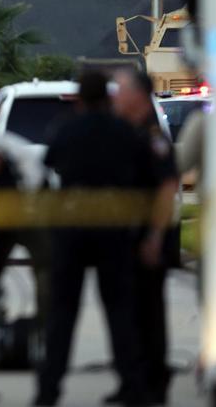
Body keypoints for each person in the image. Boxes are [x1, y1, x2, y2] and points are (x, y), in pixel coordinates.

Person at [35, 71, 150, 406]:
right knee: (119, 312)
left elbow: (49, 161)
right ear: (107, 97)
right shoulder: (123, 130)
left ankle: (48, 391)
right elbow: (140, 170)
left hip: (71, 229)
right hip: (113, 228)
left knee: (62, 314)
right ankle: (134, 387)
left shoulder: (66, 128)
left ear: (80, 98)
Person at [110, 69, 179, 405]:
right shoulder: (129, 133)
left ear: (137, 95)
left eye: (120, 90)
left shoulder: (152, 138)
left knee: (148, 314)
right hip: (128, 238)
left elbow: (167, 188)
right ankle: (133, 383)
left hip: (147, 241)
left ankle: (153, 383)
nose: (115, 97)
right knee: (131, 314)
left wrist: (154, 236)